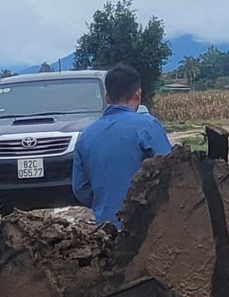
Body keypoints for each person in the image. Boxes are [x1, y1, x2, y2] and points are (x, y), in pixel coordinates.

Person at [72, 64, 173, 226]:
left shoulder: (86, 136)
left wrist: (105, 204)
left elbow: (80, 188)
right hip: (147, 230)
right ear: (138, 94)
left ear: (106, 98)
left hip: (105, 229)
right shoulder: (148, 126)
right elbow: (171, 173)